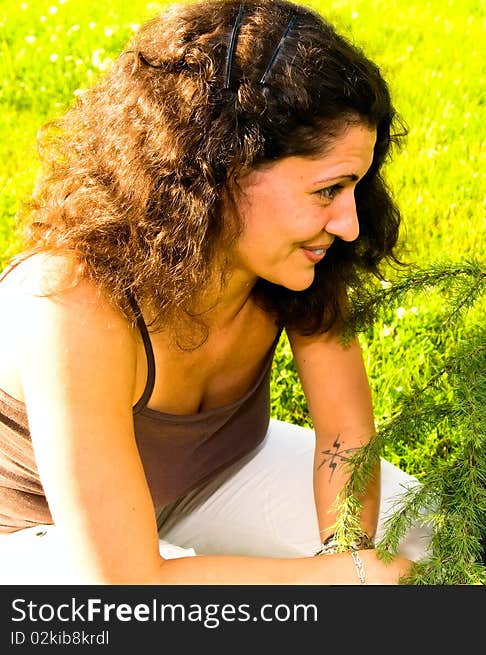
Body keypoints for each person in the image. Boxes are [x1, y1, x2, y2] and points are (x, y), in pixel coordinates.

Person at [0, 0, 431, 584]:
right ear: (222, 167)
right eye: (328, 189)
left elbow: (345, 432)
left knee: (428, 533)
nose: (350, 223)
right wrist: (341, 583)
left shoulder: (293, 263)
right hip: (39, 543)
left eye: (355, 184)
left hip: (202, 485)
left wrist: (347, 552)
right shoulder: (72, 299)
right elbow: (127, 583)